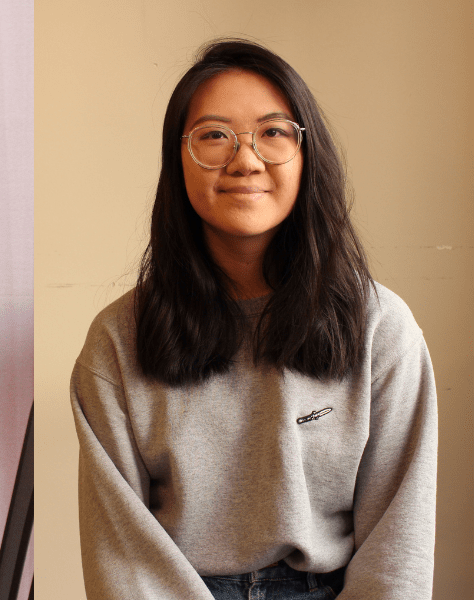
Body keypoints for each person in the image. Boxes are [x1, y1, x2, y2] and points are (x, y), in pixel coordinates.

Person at [70, 39, 437, 599]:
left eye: (273, 132)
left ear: (307, 154)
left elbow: (397, 551)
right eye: (215, 135)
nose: (245, 159)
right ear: (178, 160)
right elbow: (123, 560)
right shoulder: (117, 342)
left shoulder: (382, 329)